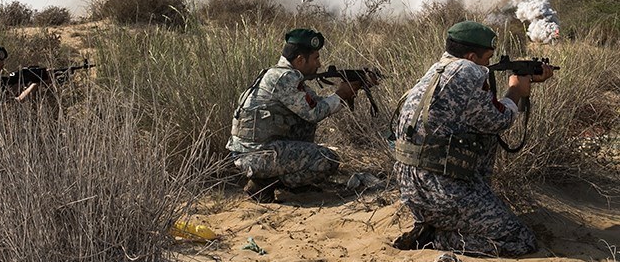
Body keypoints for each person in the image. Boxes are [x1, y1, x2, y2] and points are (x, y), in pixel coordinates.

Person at [392, 21, 555, 256]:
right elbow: (499, 120)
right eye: (487, 58)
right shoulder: (469, 71)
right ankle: (436, 239)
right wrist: (516, 91)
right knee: (522, 241)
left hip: (413, 188)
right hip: (441, 191)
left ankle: (443, 222)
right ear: (471, 56)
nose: (488, 65)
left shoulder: (437, 69)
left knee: (482, 136)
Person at [226, 28, 373, 203]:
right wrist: (341, 94)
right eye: (316, 58)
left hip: (255, 151)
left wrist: (349, 90)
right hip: (256, 155)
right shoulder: (284, 78)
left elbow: (313, 104)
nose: (319, 64)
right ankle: (263, 184)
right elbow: (314, 112)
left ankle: (292, 183)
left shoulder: (281, 74)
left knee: (305, 127)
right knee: (327, 160)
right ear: (300, 59)